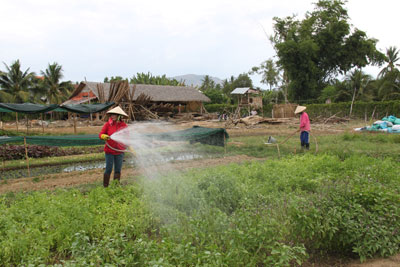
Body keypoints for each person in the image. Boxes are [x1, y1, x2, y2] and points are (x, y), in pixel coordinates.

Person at [99, 106, 128, 187]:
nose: (113, 116)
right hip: (109, 151)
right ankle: (106, 187)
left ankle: (116, 186)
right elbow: (100, 134)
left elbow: (127, 138)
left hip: (119, 151)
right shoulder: (107, 125)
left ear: (119, 116)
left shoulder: (124, 126)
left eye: (115, 114)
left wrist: (128, 146)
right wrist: (103, 136)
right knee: (108, 169)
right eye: (112, 114)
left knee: (118, 170)